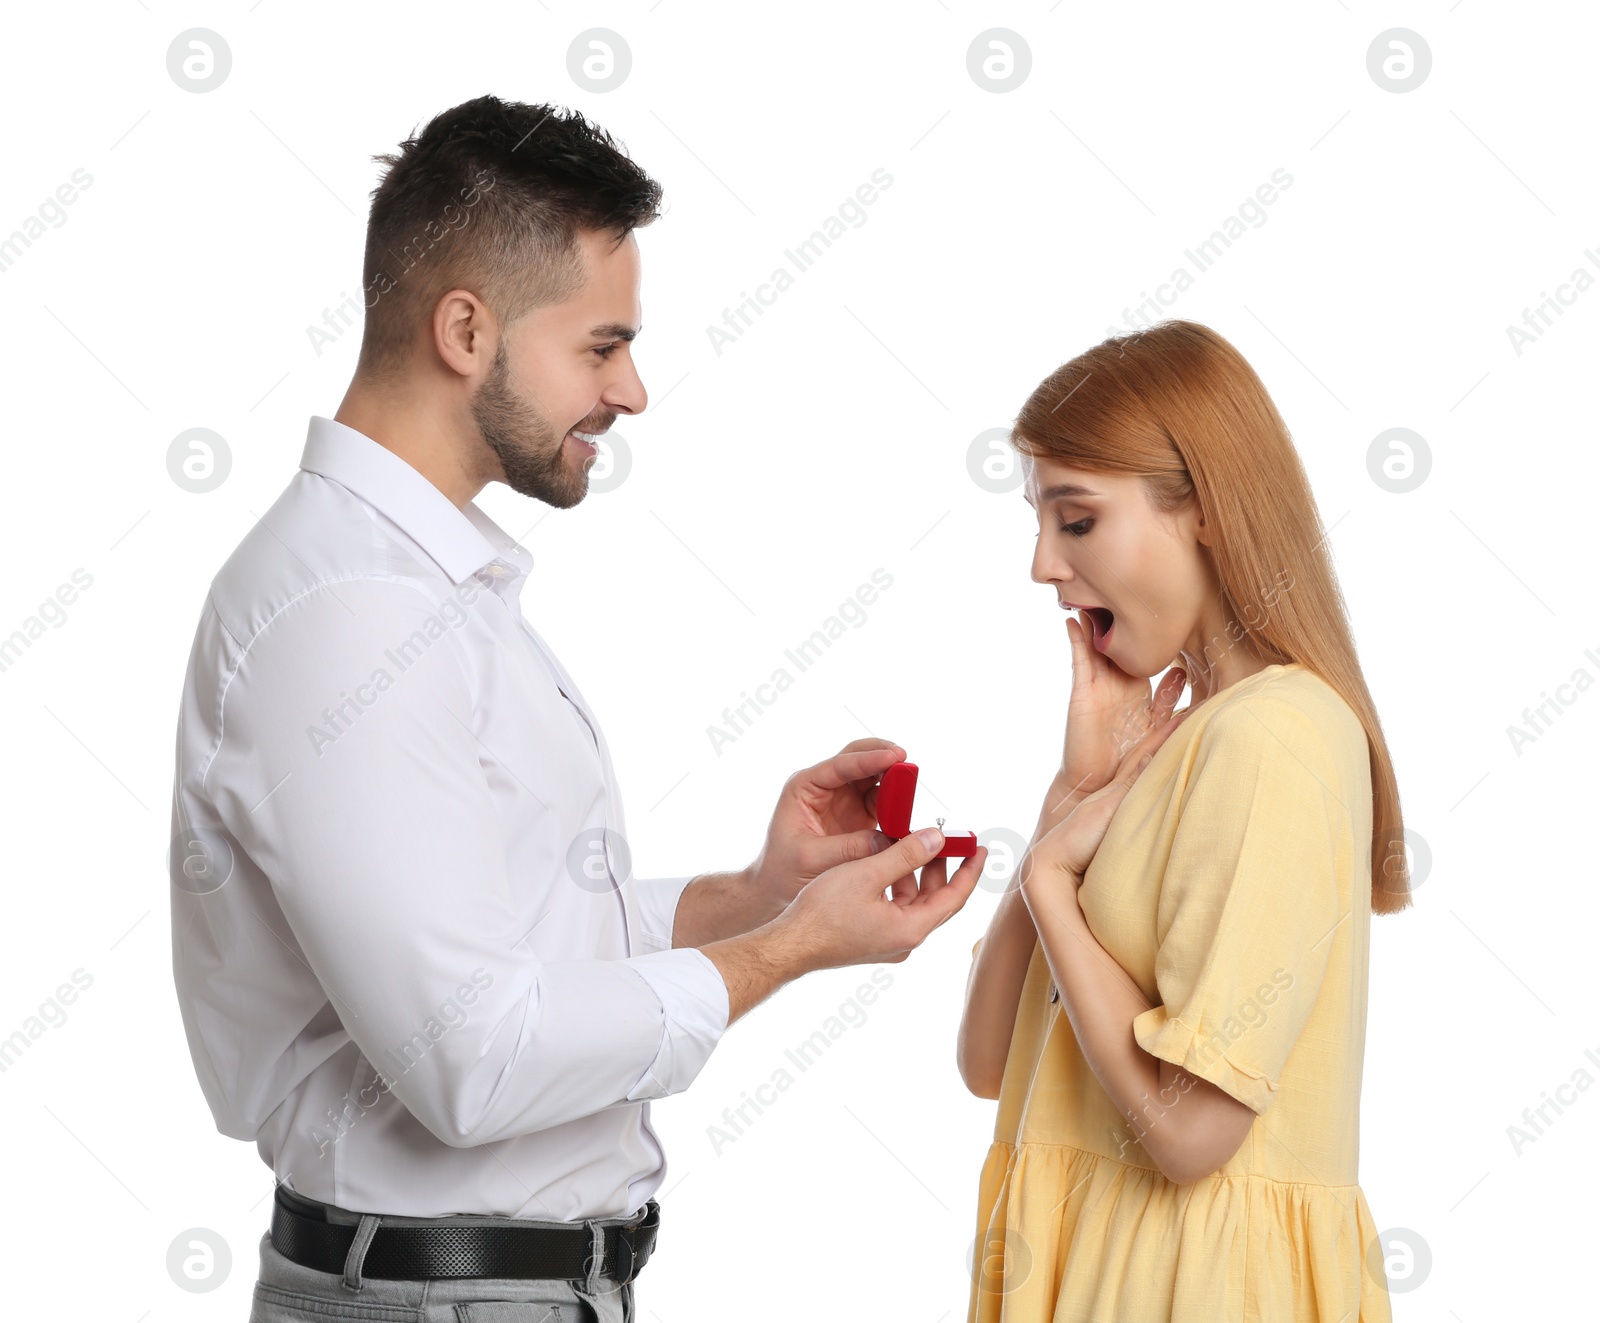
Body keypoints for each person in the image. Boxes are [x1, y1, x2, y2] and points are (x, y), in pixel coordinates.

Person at [167, 94, 985, 1323]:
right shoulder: (351, 616)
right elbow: (475, 1058)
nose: (634, 391)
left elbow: (511, 945)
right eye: (602, 346)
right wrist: (793, 948)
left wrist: (757, 892)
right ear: (465, 330)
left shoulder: (421, 588)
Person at [958, 320, 1407, 1321]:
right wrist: (1065, 814)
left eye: (1075, 522)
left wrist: (1049, 889)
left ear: (1203, 510)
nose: (1041, 565)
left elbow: (1192, 1134)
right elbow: (989, 1063)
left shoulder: (1273, 738)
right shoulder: (1183, 740)